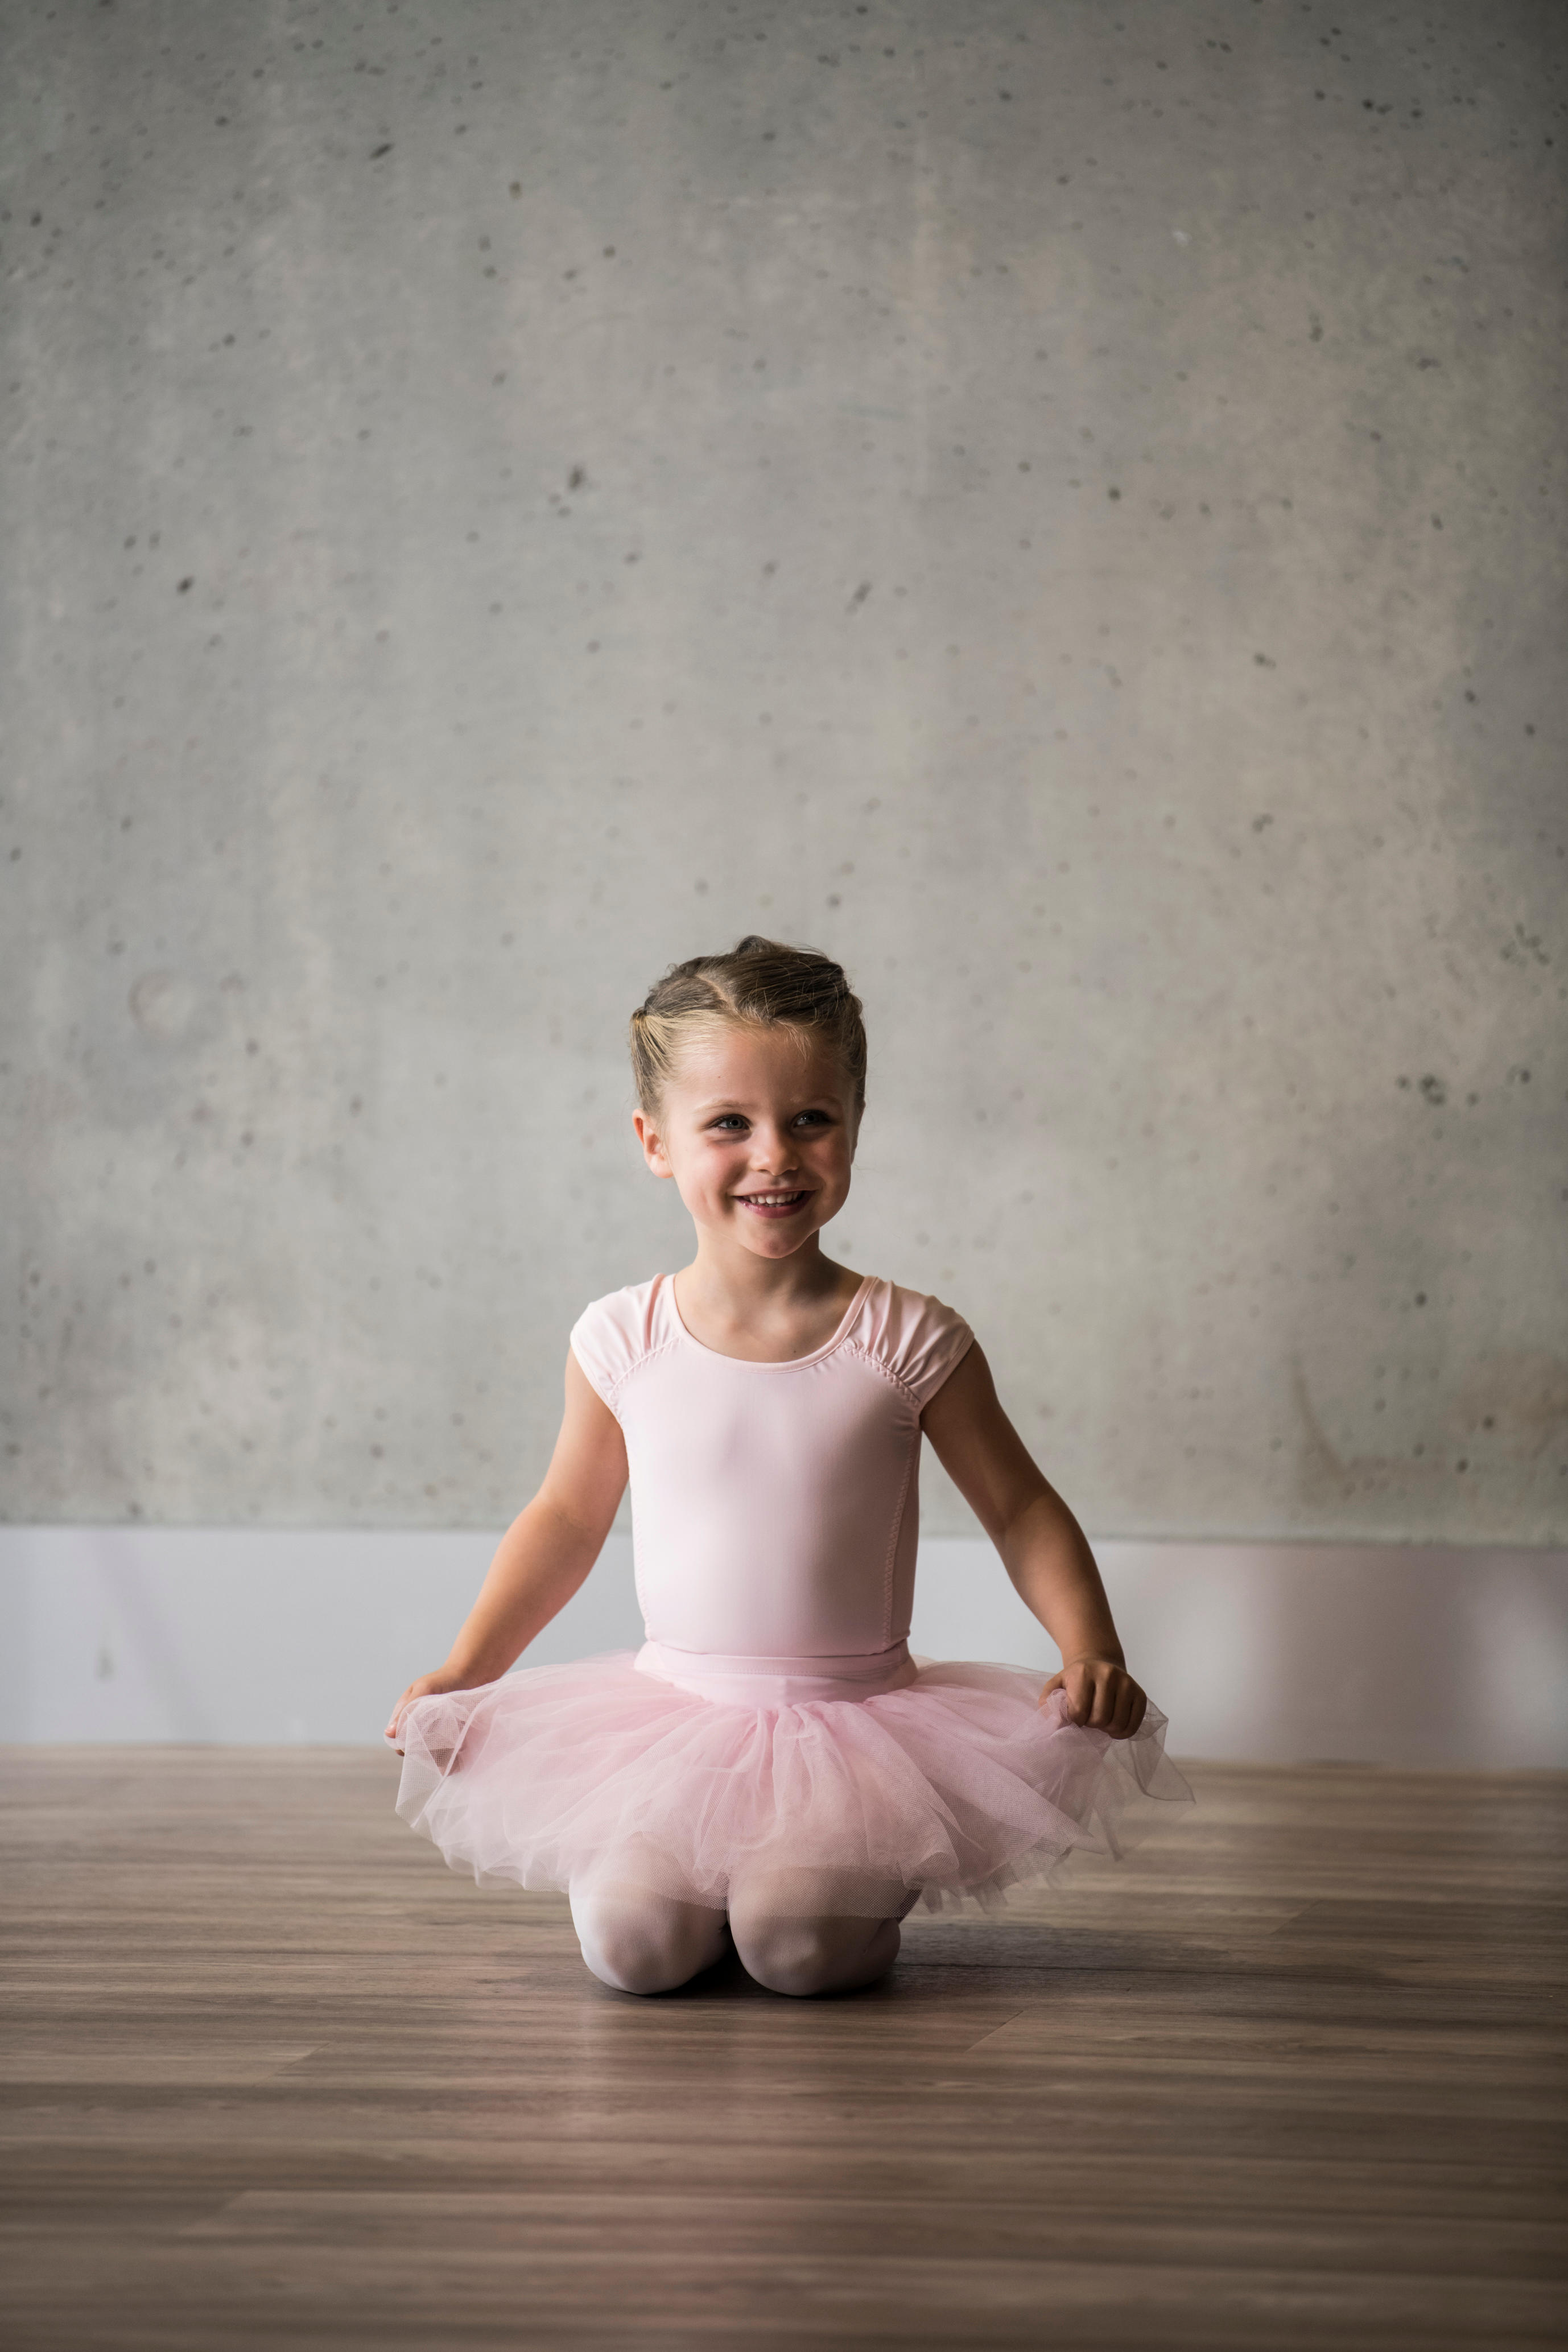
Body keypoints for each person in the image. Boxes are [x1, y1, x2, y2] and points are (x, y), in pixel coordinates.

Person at [388, 936, 1190, 1997]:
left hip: (860, 1728)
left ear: (854, 1129)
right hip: (673, 1714)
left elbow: (1021, 1506)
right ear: (655, 1141)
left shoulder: (908, 1338)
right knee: (635, 1950)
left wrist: (1090, 1644)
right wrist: (468, 1668)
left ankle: (806, 1898)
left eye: (811, 1119)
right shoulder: (621, 1337)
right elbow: (566, 1520)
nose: (775, 1154)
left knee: (796, 1947)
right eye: (730, 1123)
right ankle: (706, 1894)